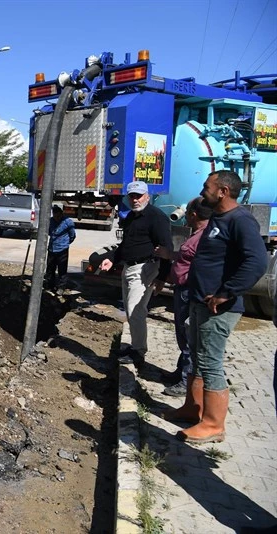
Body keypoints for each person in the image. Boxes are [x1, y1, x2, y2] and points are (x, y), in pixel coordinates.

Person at [167, 171, 267, 444]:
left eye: (207, 187)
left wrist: (226, 293)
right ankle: (193, 408)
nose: (203, 192)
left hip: (218, 309)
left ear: (223, 191)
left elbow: (257, 262)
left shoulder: (240, 220)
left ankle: (213, 424)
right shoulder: (218, 218)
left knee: (210, 362)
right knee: (197, 357)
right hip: (200, 301)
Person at [98, 181, 172, 364]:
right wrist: (112, 259)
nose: (135, 200)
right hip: (129, 267)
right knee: (130, 309)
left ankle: (138, 352)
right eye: (132, 196)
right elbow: (126, 244)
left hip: (145, 268)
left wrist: (162, 277)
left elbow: (166, 248)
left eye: (139, 196)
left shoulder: (157, 217)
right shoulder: (131, 216)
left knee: (135, 310)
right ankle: (135, 346)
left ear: (147, 196)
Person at [153, 197, 212, 397]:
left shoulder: (206, 237)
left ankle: (186, 381)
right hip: (183, 289)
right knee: (181, 332)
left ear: (193, 215)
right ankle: (181, 372)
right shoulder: (197, 234)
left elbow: (201, 264)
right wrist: (170, 255)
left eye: (186, 213)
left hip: (190, 291)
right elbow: (187, 257)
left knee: (188, 336)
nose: (184, 216)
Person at [44, 205, 76, 291]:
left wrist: (65, 243)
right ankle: (50, 285)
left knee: (62, 269)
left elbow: (72, 235)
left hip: (62, 249)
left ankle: (61, 287)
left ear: (61, 214)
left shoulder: (68, 222)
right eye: (55, 216)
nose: (57, 218)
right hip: (52, 249)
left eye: (58, 216)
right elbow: (48, 232)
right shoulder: (50, 221)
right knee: (50, 269)